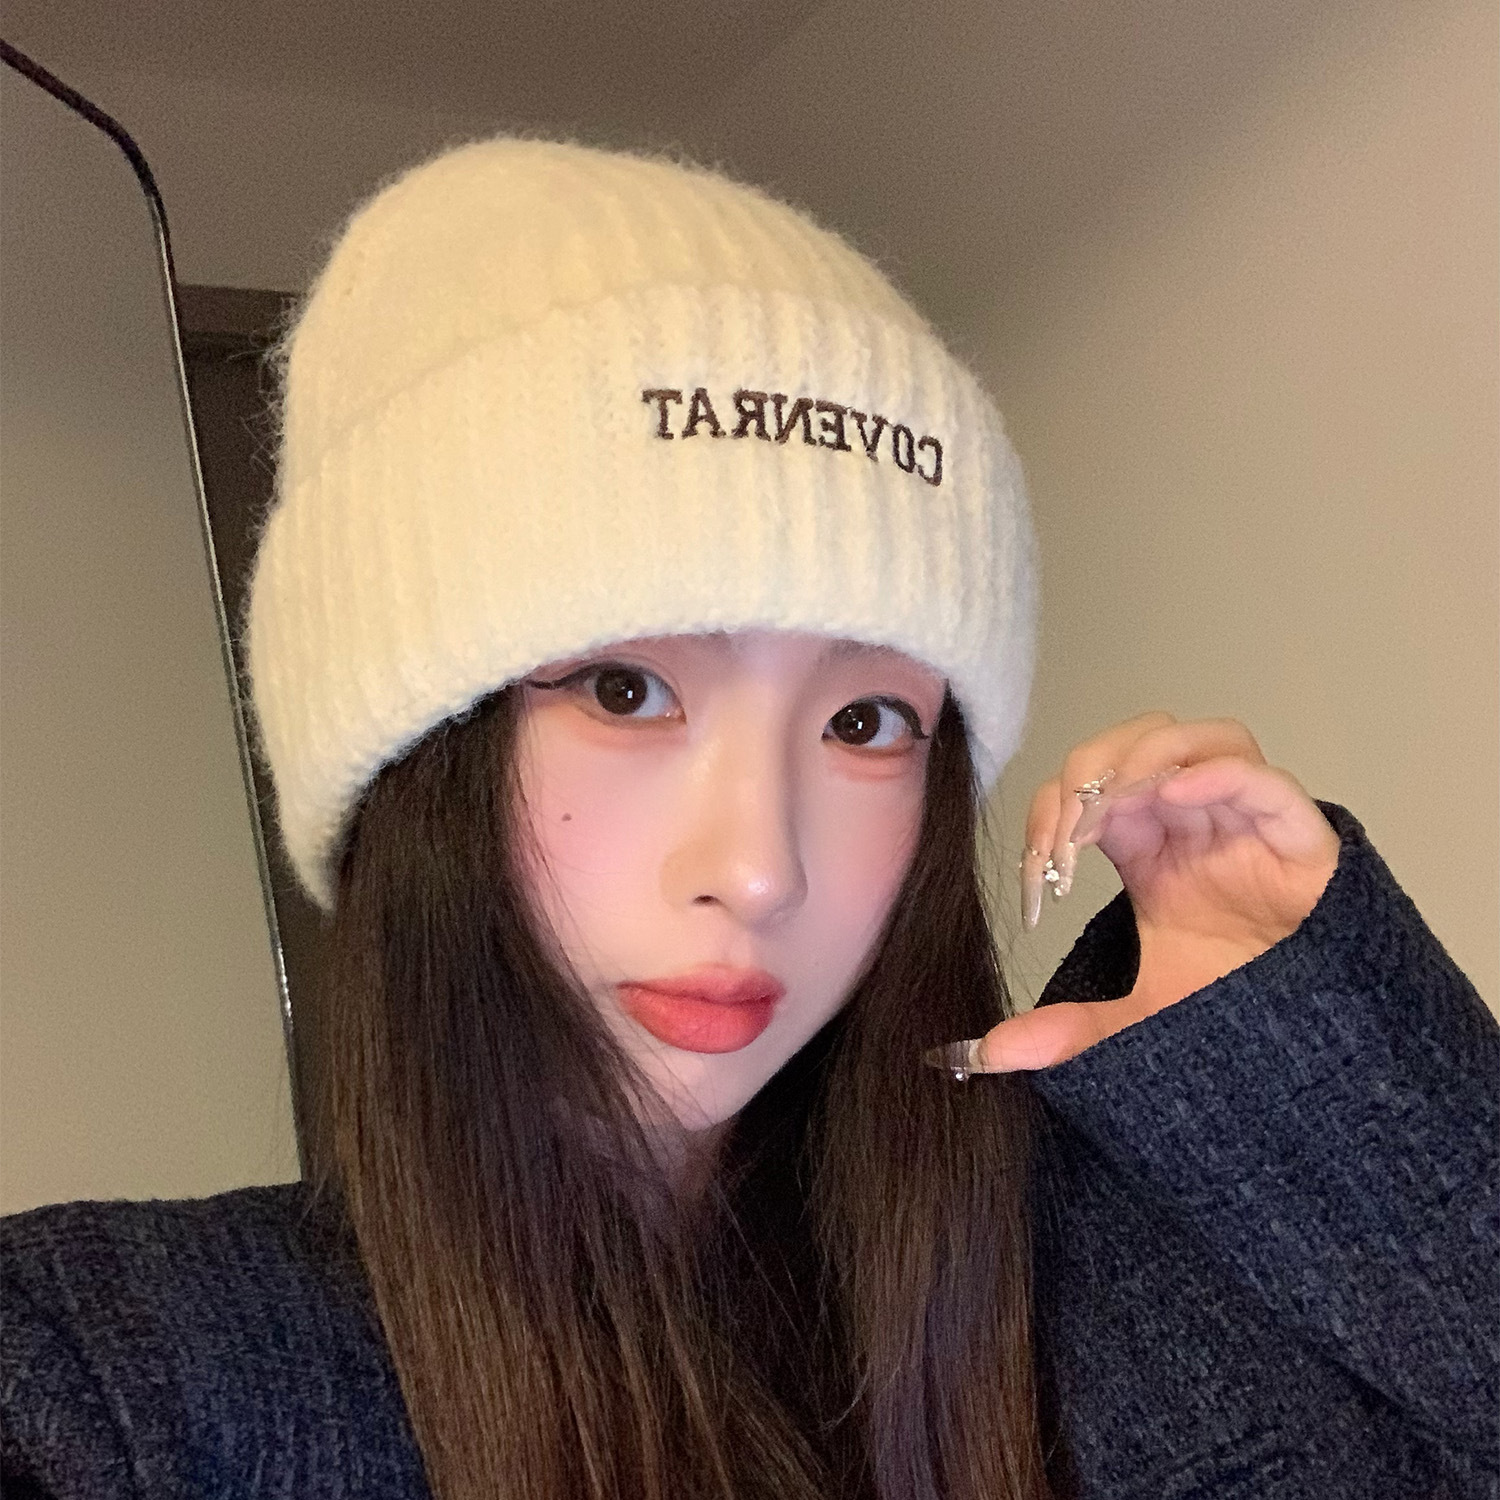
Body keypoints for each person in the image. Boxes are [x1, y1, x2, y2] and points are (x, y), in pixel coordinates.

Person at [0, 138, 1493, 1500]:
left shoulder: (1100, 1289)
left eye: (865, 723)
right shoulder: (117, 1378)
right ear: (418, 759)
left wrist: (1316, 1068)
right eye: (628, 690)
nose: (761, 869)